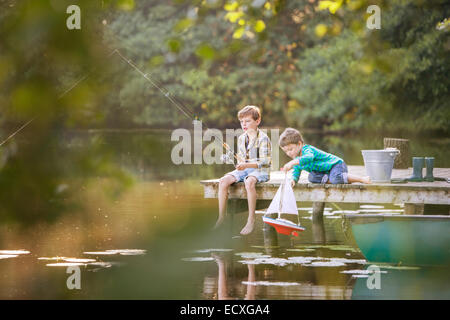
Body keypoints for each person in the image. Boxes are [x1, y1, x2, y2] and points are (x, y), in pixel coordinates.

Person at [214, 105, 271, 235]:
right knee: (223, 181)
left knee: (249, 182)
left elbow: (265, 161)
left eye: (248, 121)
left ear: (257, 121)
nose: (244, 124)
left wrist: (246, 165)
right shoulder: (241, 138)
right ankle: (221, 218)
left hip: (261, 171)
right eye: (242, 122)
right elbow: (242, 160)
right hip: (246, 169)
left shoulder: (263, 138)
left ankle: (251, 220)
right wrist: (237, 162)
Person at [279, 128, 371, 186]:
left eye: (290, 149)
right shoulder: (297, 160)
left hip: (336, 165)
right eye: (286, 151)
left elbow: (308, 158)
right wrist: (293, 180)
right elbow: (296, 171)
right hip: (326, 172)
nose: (288, 153)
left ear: (299, 144)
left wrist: (291, 162)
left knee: (335, 178)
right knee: (312, 178)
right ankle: (335, 179)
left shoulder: (307, 150)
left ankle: (362, 179)